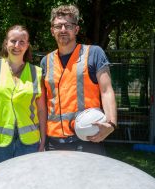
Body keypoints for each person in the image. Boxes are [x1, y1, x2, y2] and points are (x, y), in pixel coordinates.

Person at [40, 4, 117, 155]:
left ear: (76, 29)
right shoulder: (45, 61)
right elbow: (43, 104)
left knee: (92, 179)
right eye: (58, 26)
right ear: (52, 31)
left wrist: (111, 124)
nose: (63, 30)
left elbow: (107, 91)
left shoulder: (94, 53)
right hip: (54, 141)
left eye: (68, 25)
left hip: (88, 136)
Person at [0, 25, 47, 167]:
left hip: (29, 143)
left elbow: (42, 110)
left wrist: (43, 139)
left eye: (22, 42)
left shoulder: (36, 73)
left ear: (27, 45)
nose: (17, 45)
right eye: (13, 41)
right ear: (6, 43)